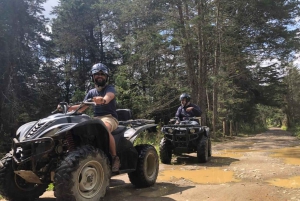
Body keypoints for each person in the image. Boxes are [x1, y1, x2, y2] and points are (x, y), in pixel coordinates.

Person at [68, 63, 120, 172]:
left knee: (103, 127)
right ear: (93, 77)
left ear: (106, 77)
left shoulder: (109, 88)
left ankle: (115, 157)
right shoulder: (91, 92)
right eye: (97, 74)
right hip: (96, 119)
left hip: (109, 118)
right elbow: (82, 107)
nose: (99, 76)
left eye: (102, 74)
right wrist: (68, 108)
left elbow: (109, 96)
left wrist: (103, 100)